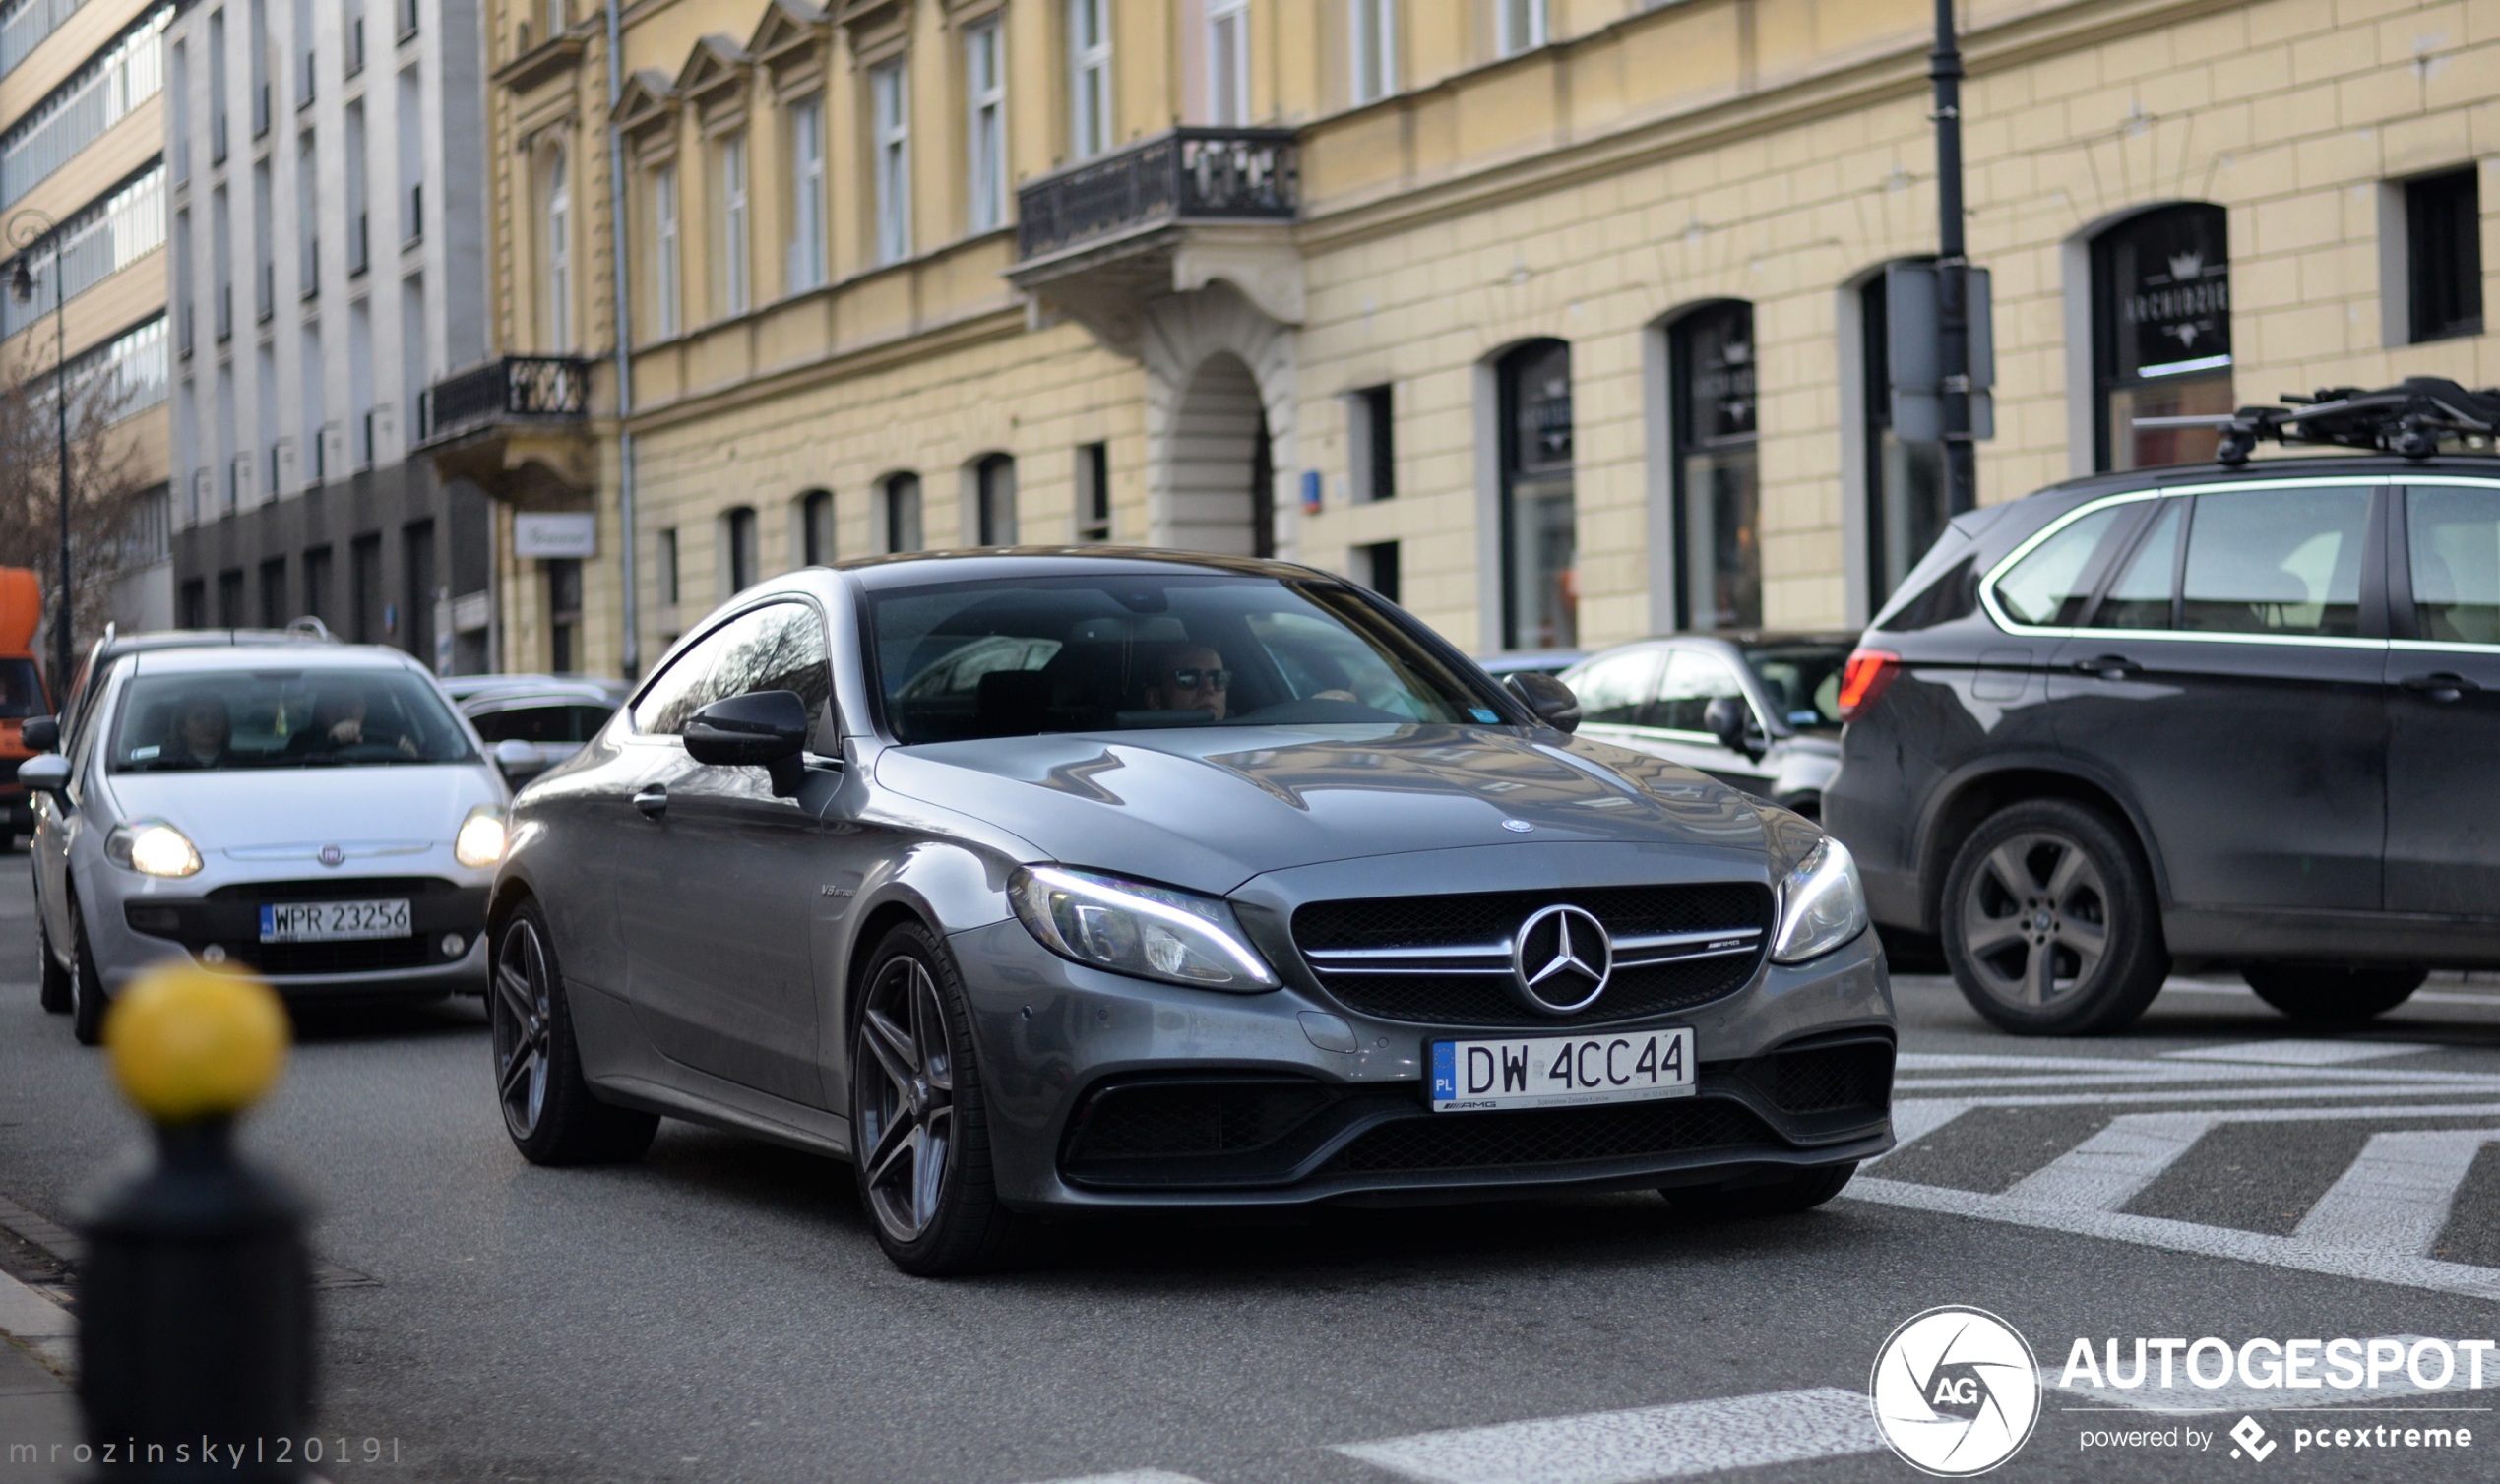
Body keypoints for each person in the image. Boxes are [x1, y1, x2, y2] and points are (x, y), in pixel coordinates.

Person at [1140, 644, 1230, 722]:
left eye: (1217, 678)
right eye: (1189, 679)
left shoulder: (1241, 735)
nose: (1208, 688)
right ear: (1155, 699)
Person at [165, 693, 233, 768]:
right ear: (182, 728)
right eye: (199, 718)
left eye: (216, 717)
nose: (209, 724)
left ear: (225, 726)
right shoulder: (164, 766)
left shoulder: (244, 764)